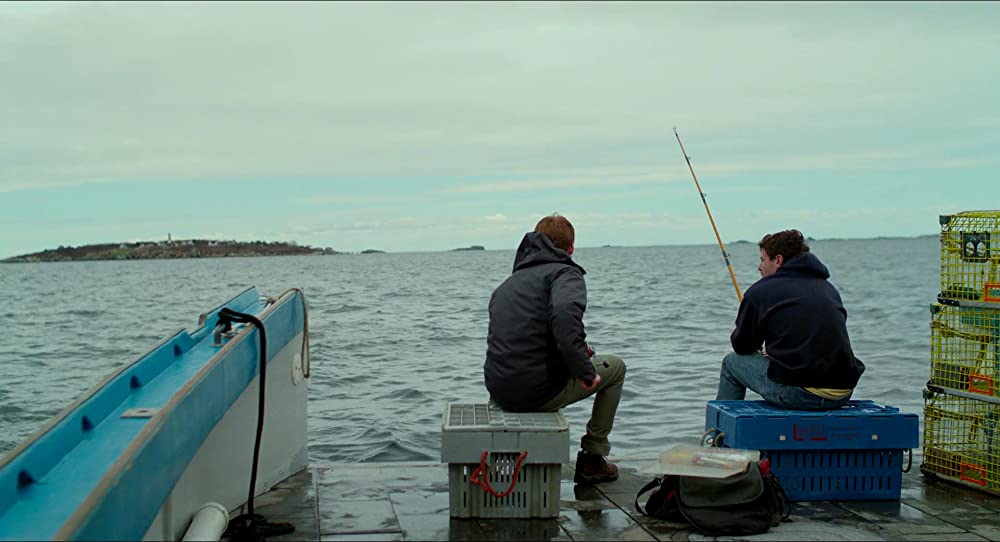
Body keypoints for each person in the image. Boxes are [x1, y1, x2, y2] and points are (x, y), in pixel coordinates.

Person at [485, 214, 627, 484]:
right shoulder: (565, 273)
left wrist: (576, 354)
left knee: (579, 356)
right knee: (616, 368)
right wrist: (586, 372)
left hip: (500, 391)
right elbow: (563, 316)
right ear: (571, 249)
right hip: (536, 393)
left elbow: (526, 338)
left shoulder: (508, 285)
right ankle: (592, 458)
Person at [715, 229, 865, 410]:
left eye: (763, 260)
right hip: (843, 392)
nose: (759, 267)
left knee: (732, 362)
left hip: (800, 394)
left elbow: (742, 346)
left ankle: (718, 433)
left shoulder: (761, 290)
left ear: (777, 260)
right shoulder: (828, 289)